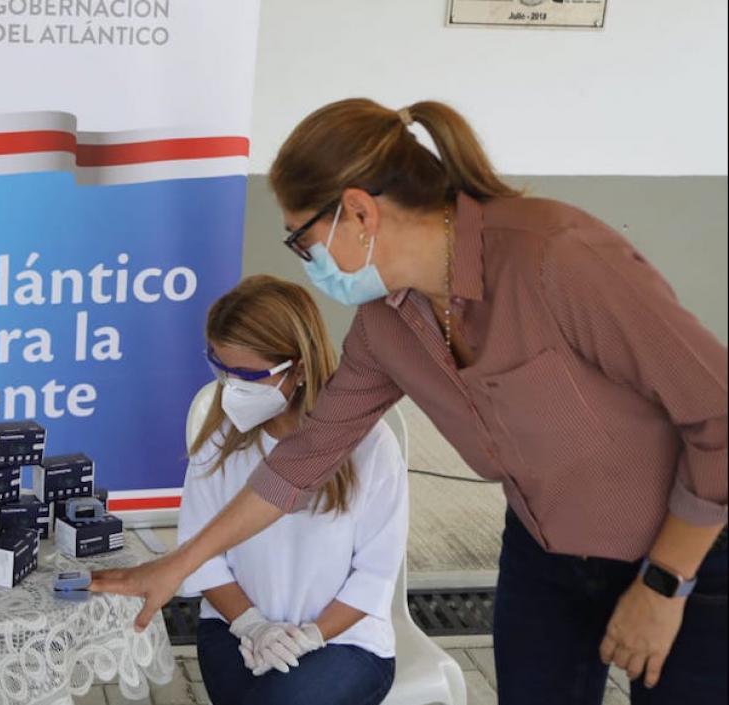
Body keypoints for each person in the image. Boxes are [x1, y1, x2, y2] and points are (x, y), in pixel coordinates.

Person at [92, 99, 727, 705]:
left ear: (359, 212)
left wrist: (665, 583)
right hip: (544, 551)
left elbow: (718, 415)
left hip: (686, 553)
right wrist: (178, 564)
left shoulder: (556, 257)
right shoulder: (385, 325)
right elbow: (302, 459)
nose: (307, 262)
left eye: (300, 240)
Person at [183, 275, 407, 705]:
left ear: (299, 368)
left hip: (345, 640)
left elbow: (376, 575)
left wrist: (310, 637)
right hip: (235, 628)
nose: (231, 388)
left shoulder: (371, 446)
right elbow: (200, 556)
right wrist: (253, 625)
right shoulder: (218, 440)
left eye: (248, 375)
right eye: (221, 369)